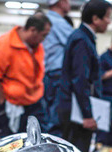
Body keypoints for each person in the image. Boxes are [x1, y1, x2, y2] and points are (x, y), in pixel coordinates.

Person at [0, 14, 50, 139]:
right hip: (9, 104)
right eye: (43, 35)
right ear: (33, 30)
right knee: (8, 143)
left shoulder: (36, 47)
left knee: (38, 140)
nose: (44, 39)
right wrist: (2, 103)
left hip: (33, 102)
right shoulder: (3, 45)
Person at [57, 0, 112, 152]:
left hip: (77, 109)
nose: (109, 21)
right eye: (107, 17)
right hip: (76, 113)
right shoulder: (82, 40)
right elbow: (80, 80)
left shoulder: (84, 37)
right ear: (95, 19)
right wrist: (87, 115)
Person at [42, 0, 73, 136]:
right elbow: (76, 44)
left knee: (45, 119)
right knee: (56, 122)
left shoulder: (44, 20)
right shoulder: (59, 23)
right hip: (57, 77)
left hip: (45, 76)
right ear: (60, 2)